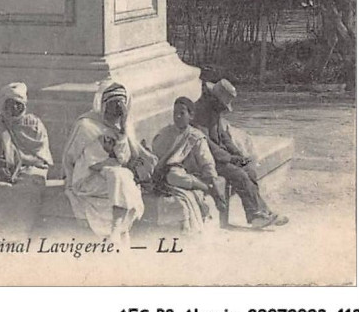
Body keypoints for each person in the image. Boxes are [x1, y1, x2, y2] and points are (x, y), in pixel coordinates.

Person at [62, 80, 153, 244]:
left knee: (120, 177)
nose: (117, 108)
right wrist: (117, 162)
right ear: (103, 104)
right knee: (119, 175)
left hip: (111, 181)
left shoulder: (121, 127)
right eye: (113, 104)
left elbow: (123, 158)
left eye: (121, 104)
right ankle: (117, 230)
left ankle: (115, 231)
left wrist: (123, 131)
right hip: (87, 181)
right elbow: (97, 163)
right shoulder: (87, 126)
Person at [193, 79, 288, 229]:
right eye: (223, 105)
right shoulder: (199, 112)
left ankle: (262, 212)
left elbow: (223, 136)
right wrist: (231, 158)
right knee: (239, 174)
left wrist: (238, 154)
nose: (223, 109)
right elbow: (205, 144)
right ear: (215, 99)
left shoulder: (213, 110)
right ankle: (256, 215)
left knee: (249, 171)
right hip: (204, 160)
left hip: (218, 158)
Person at [0, 82, 52, 235]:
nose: (14, 108)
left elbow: (40, 156)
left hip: (30, 167)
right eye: (9, 104)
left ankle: (18, 235)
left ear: (24, 105)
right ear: (3, 104)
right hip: (0, 167)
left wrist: (19, 164)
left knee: (24, 190)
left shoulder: (34, 124)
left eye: (18, 104)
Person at [151, 97, 225, 234]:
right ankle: (205, 188)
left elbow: (207, 161)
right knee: (173, 175)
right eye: (175, 113)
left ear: (191, 116)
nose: (177, 117)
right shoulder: (165, 133)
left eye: (182, 113)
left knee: (175, 176)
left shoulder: (195, 136)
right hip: (168, 176)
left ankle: (206, 187)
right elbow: (156, 156)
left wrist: (211, 179)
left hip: (191, 176)